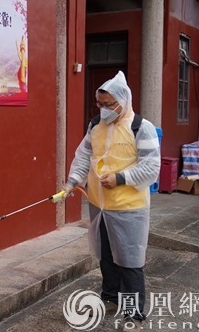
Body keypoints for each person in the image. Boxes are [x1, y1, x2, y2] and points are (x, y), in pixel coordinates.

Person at [63, 71, 160, 332]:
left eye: (109, 104)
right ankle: (110, 296)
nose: (104, 109)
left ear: (123, 100)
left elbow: (151, 168)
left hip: (128, 208)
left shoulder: (141, 127)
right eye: (100, 104)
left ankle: (134, 311)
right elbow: (84, 155)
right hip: (99, 205)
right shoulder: (96, 125)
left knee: (129, 260)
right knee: (106, 255)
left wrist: (121, 178)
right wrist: (73, 180)